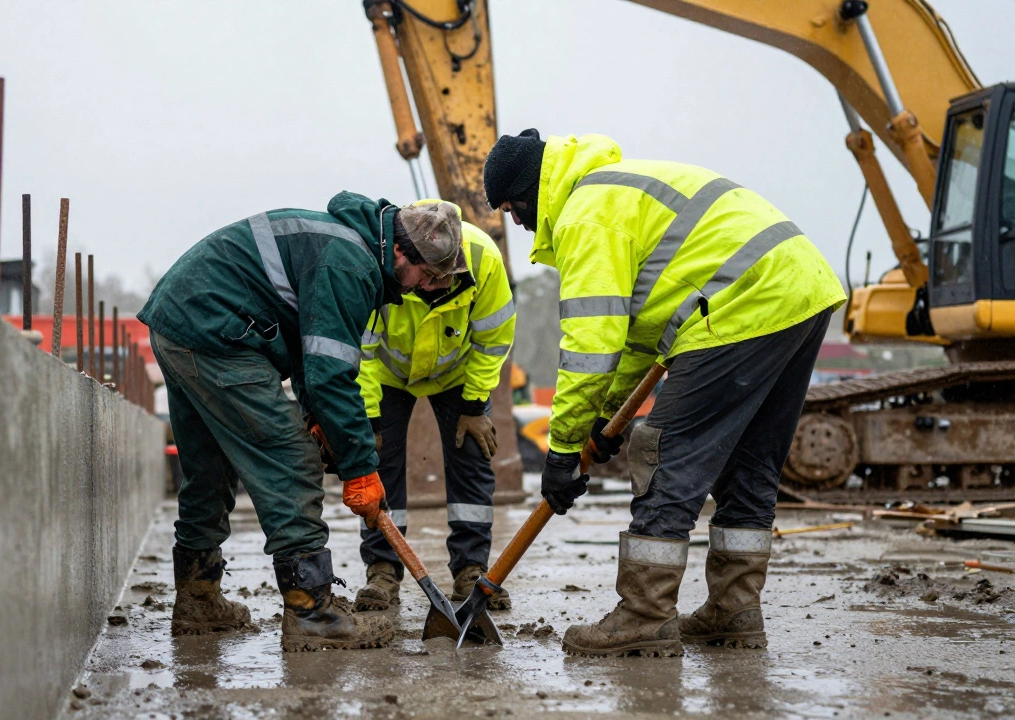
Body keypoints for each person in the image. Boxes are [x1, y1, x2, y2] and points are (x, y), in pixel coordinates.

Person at [483, 130, 845, 657]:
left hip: (742, 301)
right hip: (799, 289)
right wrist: (602, 421)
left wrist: (562, 451)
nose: (517, 222)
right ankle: (734, 611)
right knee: (749, 466)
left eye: (514, 208)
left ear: (533, 189)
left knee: (663, 454)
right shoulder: (613, 193)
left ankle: (644, 615)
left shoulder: (588, 213)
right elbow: (632, 343)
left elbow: (590, 343)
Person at [137, 193, 464, 652]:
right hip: (219, 333)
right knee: (291, 462)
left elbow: (314, 359)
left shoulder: (349, 245)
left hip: (184, 321)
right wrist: (361, 469)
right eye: (425, 274)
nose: (421, 287)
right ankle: (311, 612)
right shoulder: (352, 265)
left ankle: (197, 601)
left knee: (209, 468)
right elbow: (332, 374)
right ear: (399, 252)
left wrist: (318, 420)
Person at [351, 200, 517, 613]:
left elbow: (494, 339)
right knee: (378, 467)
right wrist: (369, 419)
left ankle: (471, 570)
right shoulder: (379, 263)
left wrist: (475, 405)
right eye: (428, 277)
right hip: (388, 374)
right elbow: (362, 353)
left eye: (445, 276)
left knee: (472, 459)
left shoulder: (485, 261)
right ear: (407, 257)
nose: (436, 284)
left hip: (456, 373)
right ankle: (383, 571)